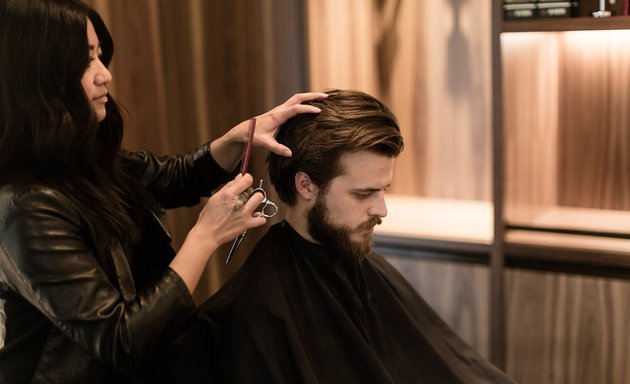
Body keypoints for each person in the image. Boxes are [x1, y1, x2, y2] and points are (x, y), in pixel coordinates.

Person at [0, 1, 327, 383]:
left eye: (100, 56)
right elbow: (121, 341)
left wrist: (243, 136)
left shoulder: (84, 163)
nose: (104, 75)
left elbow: (174, 177)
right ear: (36, 74)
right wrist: (205, 236)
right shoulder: (26, 208)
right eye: (84, 60)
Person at [161, 89, 517, 383]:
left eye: (384, 190)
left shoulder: (363, 267)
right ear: (305, 185)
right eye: (363, 194)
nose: (381, 210)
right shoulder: (252, 313)